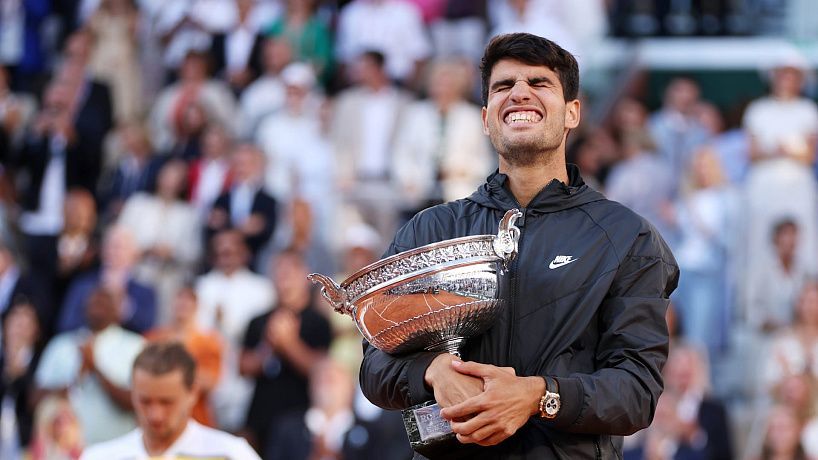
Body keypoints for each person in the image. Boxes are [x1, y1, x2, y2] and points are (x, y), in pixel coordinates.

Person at [358, 33, 679, 459]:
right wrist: (431, 371)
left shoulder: (625, 235)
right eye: (504, 86)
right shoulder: (429, 228)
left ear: (572, 113)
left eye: (539, 83)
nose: (520, 93)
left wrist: (537, 396)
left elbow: (636, 391)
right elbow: (374, 366)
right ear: (486, 116)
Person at [80, 342, 261, 459]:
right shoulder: (99, 456)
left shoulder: (230, 454)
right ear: (133, 393)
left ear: (193, 393)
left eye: (167, 402)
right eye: (145, 401)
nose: (155, 414)